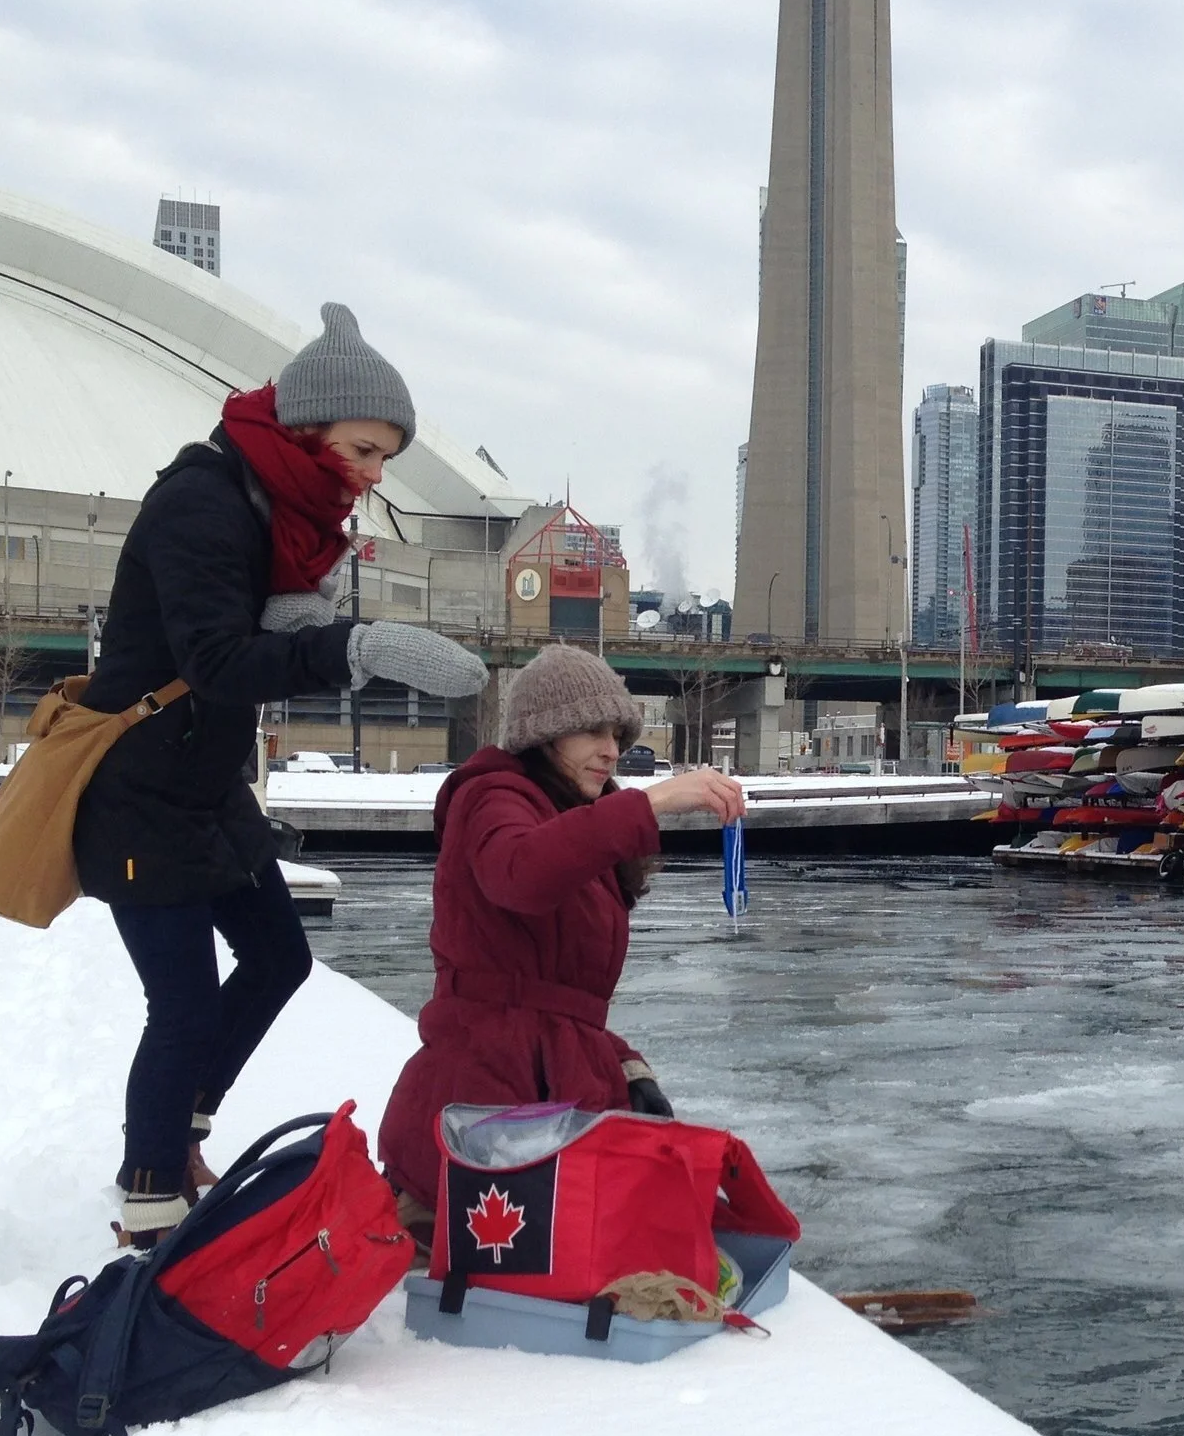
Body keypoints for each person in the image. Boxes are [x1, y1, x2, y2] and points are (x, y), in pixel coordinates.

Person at [76, 303, 489, 1246]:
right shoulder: (202, 501)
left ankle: (175, 1129)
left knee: (278, 957)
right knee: (179, 1004)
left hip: (208, 787)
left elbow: (271, 621)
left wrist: (335, 630)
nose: (375, 475)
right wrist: (355, 645)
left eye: (386, 455)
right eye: (364, 450)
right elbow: (219, 659)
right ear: (305, 429)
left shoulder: (278, 505)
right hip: (141, 791)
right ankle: (152, 1203)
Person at [377, 645, 746, 1236]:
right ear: (545, 734)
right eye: (592, 731)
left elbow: (559, 988)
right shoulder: (491, 796)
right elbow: (520, 873)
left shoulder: (571, 814)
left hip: (546, 1104)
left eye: (618, 734)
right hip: (484, 1115)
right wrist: (649, 803)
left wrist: (621, 1062)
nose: (611, 750)